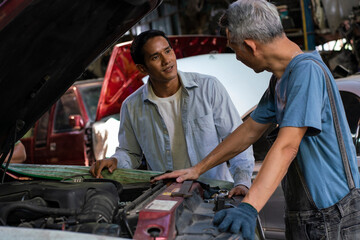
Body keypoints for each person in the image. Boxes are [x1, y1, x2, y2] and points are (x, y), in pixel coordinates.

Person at [153, 1, 360, 239]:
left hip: (331, 216)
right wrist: (197, 169)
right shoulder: (281, 80)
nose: (237, 58)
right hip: (307, 213)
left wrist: (249, 207)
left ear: (250, 46)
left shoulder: (307, 72)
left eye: (235, 49)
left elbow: (287, 146)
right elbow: (250, 130)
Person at [90, 30, 255, 196]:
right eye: (155, 57)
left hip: (213, 192)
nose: (166, 60)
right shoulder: (132, 106)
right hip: (167, 196)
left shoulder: (208, 88)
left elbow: (237, 139)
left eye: (167, 51)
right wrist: (115, 160)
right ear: (142, 68)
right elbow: (130, 153)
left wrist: (242, 182)